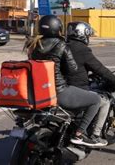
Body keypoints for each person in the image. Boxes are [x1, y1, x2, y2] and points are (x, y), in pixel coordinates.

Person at [24, 15, 104, 148]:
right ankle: (79, 134)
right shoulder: (61, 44)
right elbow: (72, 68)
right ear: (58, 28)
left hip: (38, 90)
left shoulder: (33, 45)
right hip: (58, 90)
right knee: (95, 100)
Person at [66, 21, 115, 146]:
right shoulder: (82, 49)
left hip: (64, 86)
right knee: (104, 101)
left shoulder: (65, 46)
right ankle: (95, 135)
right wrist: (114, 79)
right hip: (77, 88)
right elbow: (99, 68)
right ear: (83, 34)